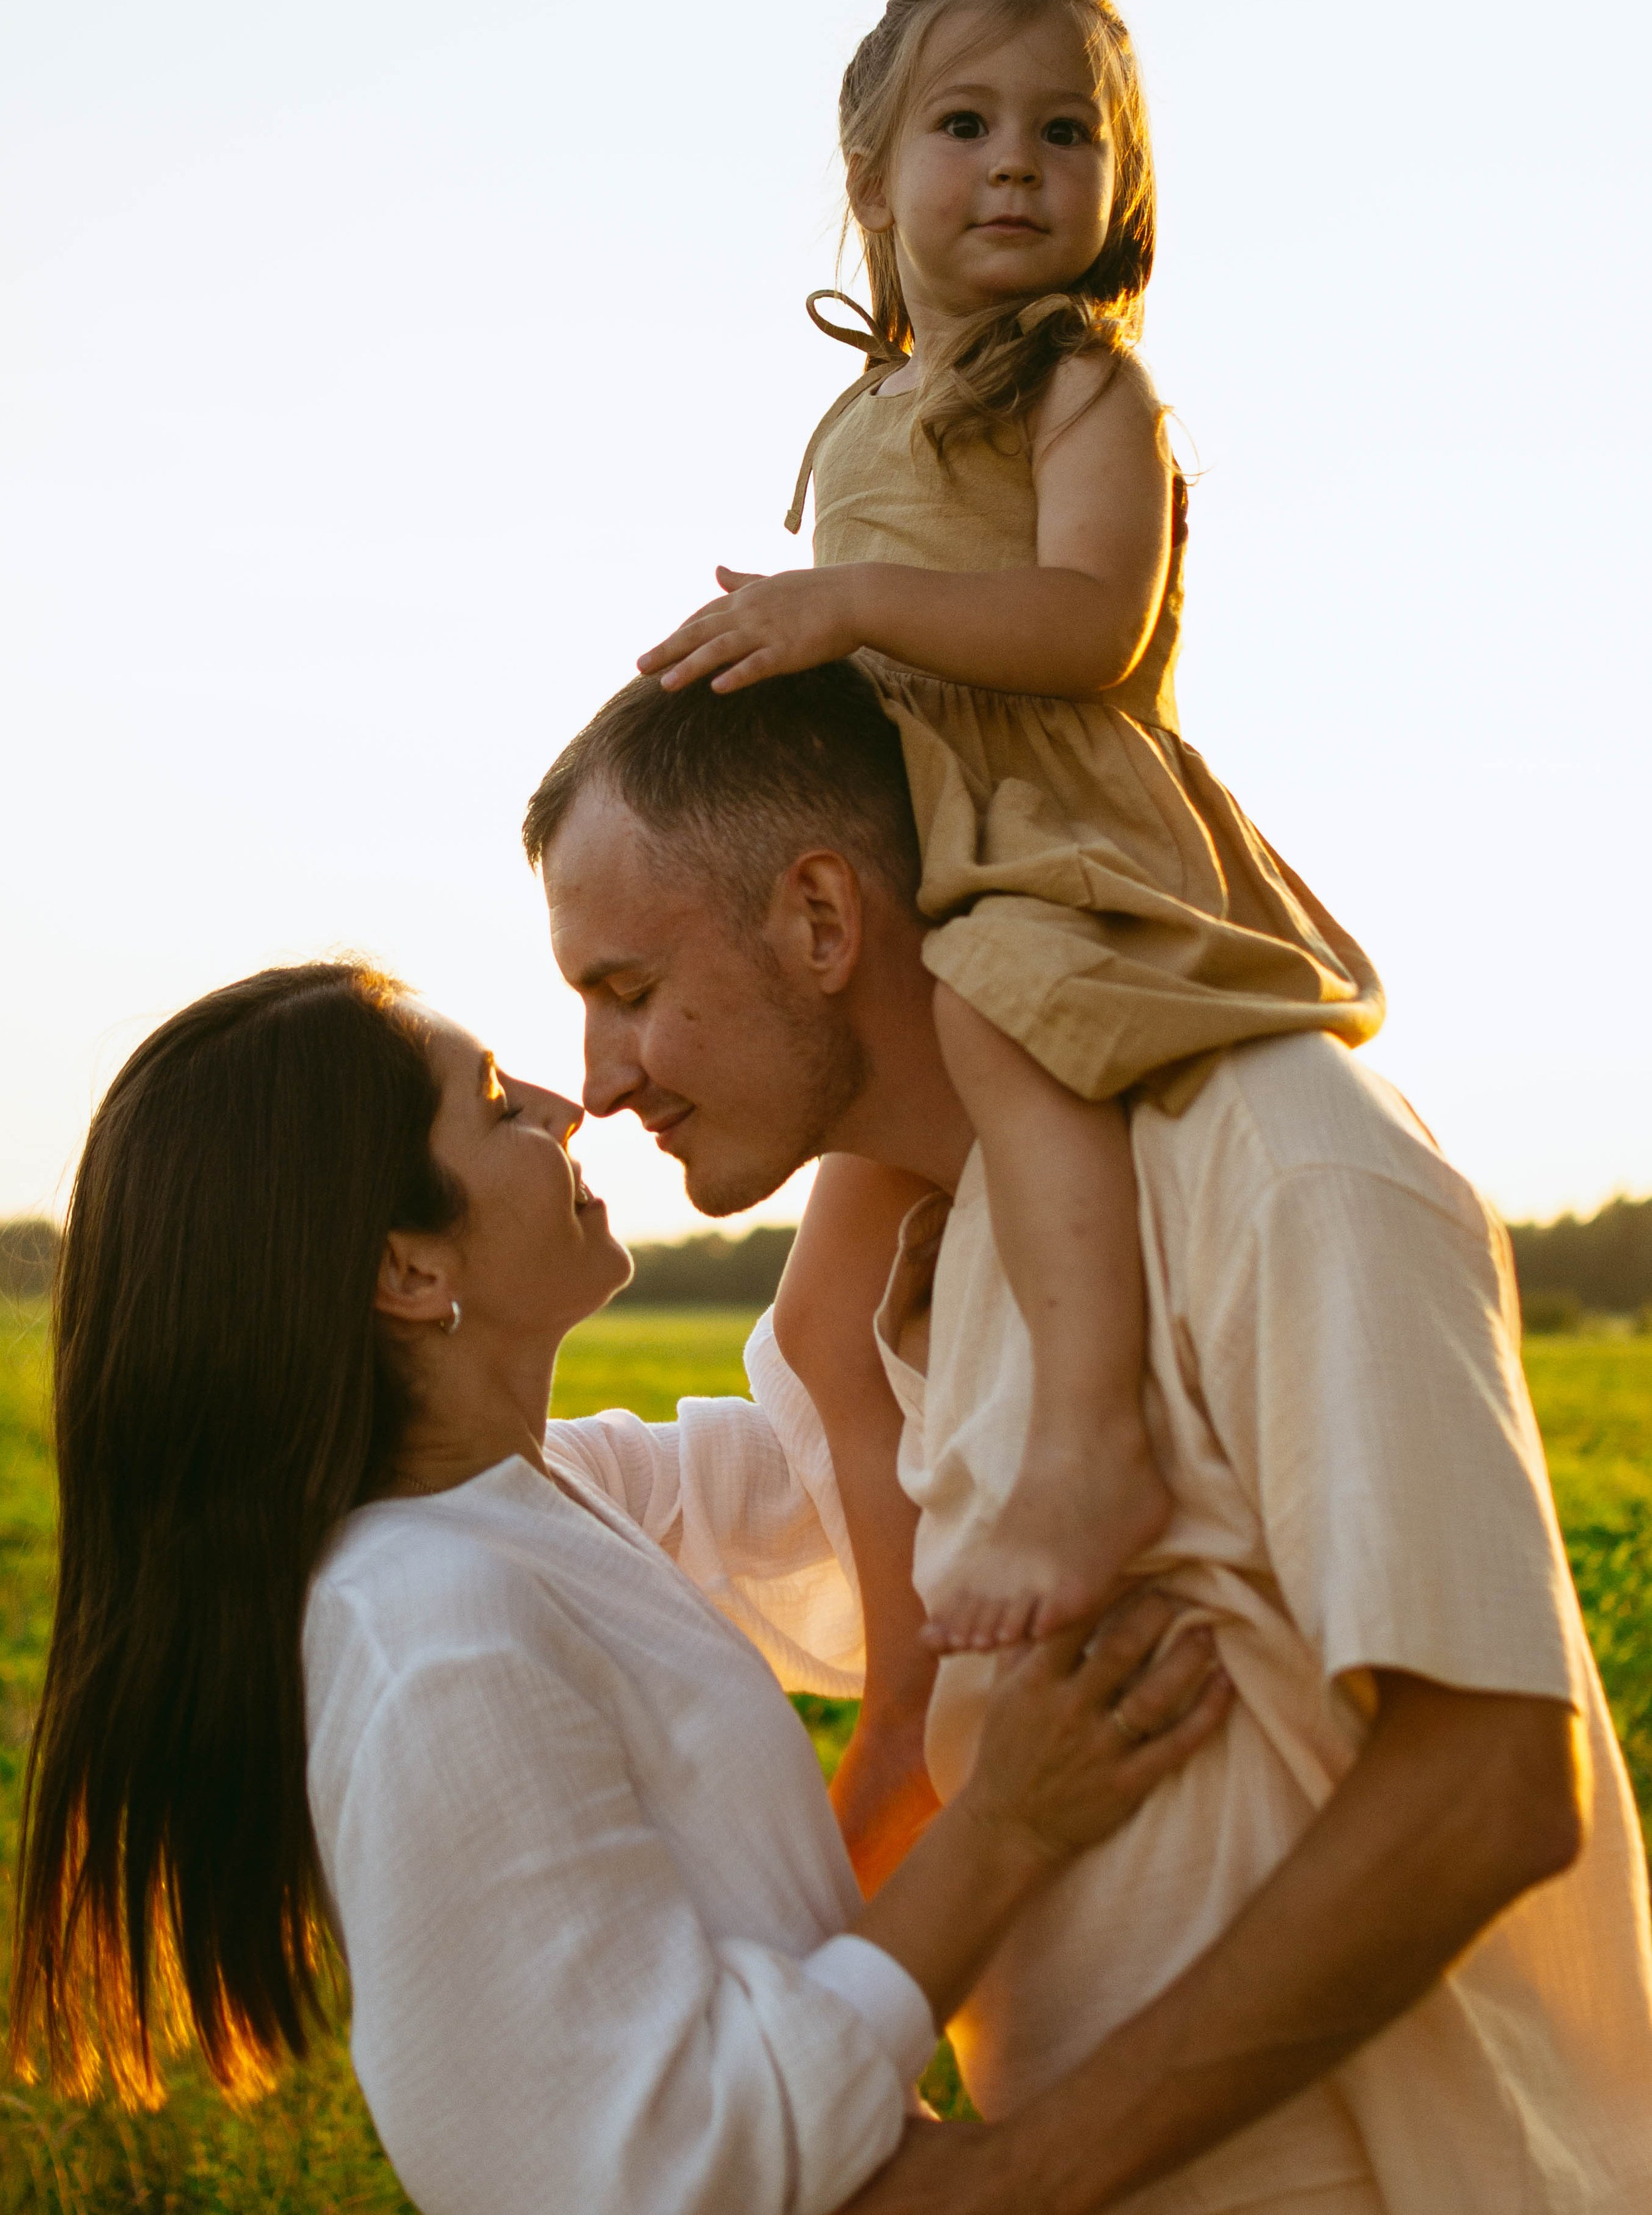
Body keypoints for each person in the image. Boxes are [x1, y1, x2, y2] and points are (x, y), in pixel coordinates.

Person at [525, 659, 1652, 2214]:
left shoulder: (1273, 1152)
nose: (596, 1077)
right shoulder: (935, 1274)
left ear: (821, 918)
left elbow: (1485, 1784)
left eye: (627, 990)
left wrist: (1014, 2183)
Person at [8, 959, 1231, 2215]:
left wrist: (885, 1077)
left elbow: (828, 1496)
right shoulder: (432, 1640)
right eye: (493, 1105)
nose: (561, 1104)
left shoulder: (536, 1493)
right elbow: (660, 2177)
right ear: (411, 1274)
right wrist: (1011, 1826)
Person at [637, 0, 1384, 1745]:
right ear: (872, 181)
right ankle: (908, 1688)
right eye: (964, 125)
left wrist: (851, 602)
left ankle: (1093, 1442)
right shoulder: (861, 419)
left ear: (1120, 188)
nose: (1016, 165)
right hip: (921, 863)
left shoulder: (1085, 392)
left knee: (989, 1019)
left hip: (1054, 837)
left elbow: (1088, 628)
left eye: (1067, 132)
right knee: (822, 1331)